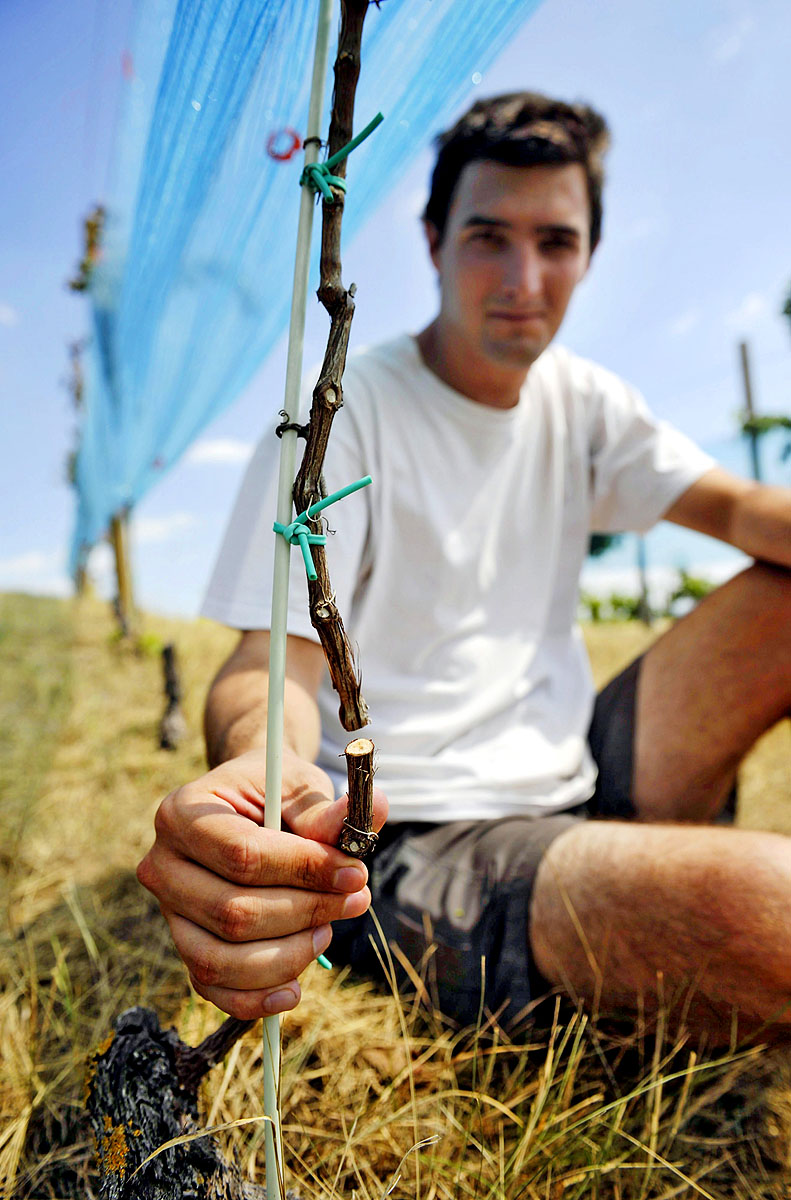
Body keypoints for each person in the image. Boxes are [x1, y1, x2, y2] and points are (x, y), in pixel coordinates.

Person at [138, 92, 791, 1040]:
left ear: (588, 255)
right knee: (772, 913)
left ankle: (635, 879)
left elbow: (737, 508)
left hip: (579, 769)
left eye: (555, 242)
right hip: (419, 828)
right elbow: (267, 667)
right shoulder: (338, 411)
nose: (522, 277)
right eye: (489, 235)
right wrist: (258, 766)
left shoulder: (583, 400)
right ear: (435, 238)